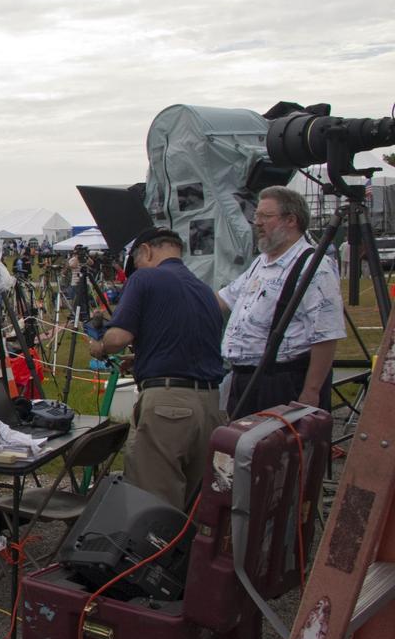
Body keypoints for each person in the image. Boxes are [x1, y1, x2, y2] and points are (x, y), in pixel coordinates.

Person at [87, 228, 225, 510]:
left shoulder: (145, 277)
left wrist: (99, 346)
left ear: (147, 251)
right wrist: (143, 360)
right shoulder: (205, 291)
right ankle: (186, 554)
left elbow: (119, 338)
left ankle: (157, 555)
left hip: (168, 407)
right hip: (210, 406)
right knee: (196, 502)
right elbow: (191, 344)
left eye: (136, 262)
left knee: (152, 501)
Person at [218, 186, 345, 417]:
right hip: (246, 381)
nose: (257, 223)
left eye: (265, 216)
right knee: (245, 450)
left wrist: (311, 391)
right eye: (256, 216)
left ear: (291, 220)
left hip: (282, 383)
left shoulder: (314, 267)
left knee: (281, 451)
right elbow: (225, 298)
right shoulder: (261, 263)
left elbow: (327, 333)